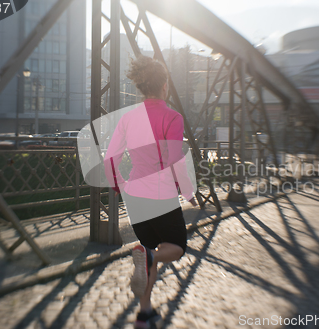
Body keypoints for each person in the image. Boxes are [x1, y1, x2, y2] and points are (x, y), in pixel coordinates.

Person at [103, 55, 197, 329]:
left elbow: (110, 158)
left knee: (145, 255)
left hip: (135, 197)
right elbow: (176, 161)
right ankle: (152, 258)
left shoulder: (129, 119)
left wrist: (120, 185)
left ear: (142, 87)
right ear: (165, 86)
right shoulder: (172, 117)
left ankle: (144, 314)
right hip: (162, 195)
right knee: (177, 247)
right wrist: (189, 191)